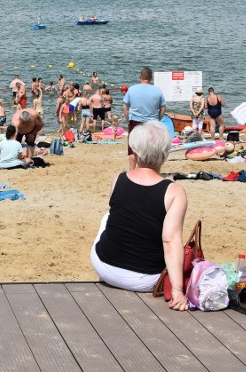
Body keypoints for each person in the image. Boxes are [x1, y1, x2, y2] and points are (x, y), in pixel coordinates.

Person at [90, 121, 188, 311]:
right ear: (166, 154)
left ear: (134, 151)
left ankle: (112, 269)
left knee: (108, 217)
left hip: (104, 266)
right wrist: (177, 289)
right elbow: (170, 241)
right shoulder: (174, 191)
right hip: (145, 279)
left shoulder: (118, 179)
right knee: (166, 233)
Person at [122, 67, 166, 171]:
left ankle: (132, 172)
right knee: (153, 149)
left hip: (135, 121)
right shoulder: (157, 90)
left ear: (140, 77)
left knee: (133, 150)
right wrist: (158, 119)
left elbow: (125, 106)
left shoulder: (132, 89)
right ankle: (153, 171)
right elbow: (163, 107)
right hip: (152, 122)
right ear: (151, 78)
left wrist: (128, 119)